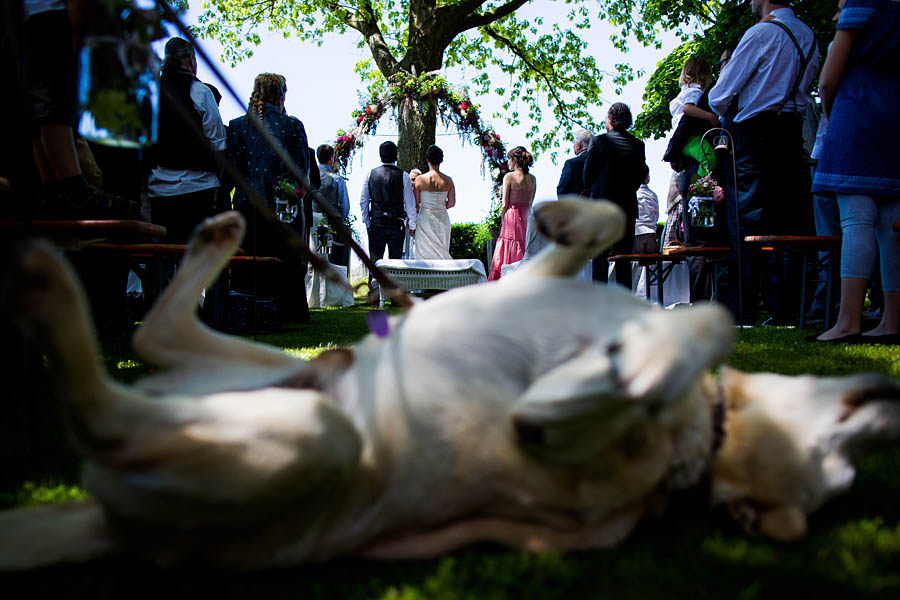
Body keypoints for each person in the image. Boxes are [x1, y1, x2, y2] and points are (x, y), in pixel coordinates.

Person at [708, 0, 819, 325]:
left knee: (744, 223)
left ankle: (743, 311)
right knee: (790, 225)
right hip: (790, 132)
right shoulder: (809, 35)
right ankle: (789, 311)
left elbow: (719, 95)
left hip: (754, 134)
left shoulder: (761, 34)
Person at [810, 0, 900, 343]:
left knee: (857, 221)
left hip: (857, 113)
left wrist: (836, 116)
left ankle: (848, 320)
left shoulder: (862, 3)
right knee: (892, 225)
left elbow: (828, 81)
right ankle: (893, 318)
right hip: (894, 115)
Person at [24, 0, 138, 219]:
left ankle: (55, 191)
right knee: (57, 106)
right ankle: (74, 190)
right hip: (56, 13)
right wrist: (78, 18)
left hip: (36, 15)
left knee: (46, 108)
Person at [228, 72, 311, 322]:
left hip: (246, 207)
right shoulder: (292, 125)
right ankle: (286, 311)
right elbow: (301, 170)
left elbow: (233, 168)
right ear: (281, 95)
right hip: (281, 209)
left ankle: (246, 308)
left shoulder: (236, 126)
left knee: (249, 262)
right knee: (283, 261)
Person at [149, 38, 226, 244]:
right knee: (197, 257)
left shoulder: (151, 92)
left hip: (158, 189)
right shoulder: (200, 91)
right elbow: (218, 142)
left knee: (163, 256)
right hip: (198, 189)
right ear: (191, 60)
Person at [582, 102, 647, 288]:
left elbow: (587, 174)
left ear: (610, 118)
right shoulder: (638, 145)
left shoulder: (599, 141)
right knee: (623, 259)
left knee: (600, 257)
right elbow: (640, 175)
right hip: (627, 208)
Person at [360, 141, 416, 300]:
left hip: (377, 221)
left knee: (375, 260)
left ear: (380, 155)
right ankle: (395, 296)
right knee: (396, 262)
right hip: (396, 223)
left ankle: (374, 294)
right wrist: (412, 224)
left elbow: (364, 200)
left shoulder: (370, 174)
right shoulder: (403, 176)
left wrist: (367, 221)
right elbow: (409, 203)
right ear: (396, 155)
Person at [488, 146, 535, 281]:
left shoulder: (509, 177)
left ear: (515, 160)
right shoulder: (533, 179)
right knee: (524, 247)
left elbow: (504, 203)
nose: (508, 162)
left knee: (508, 248)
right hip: (527, 217)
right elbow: (531, 202)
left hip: (512, 216)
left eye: (509, 159)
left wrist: (504, 217)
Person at [412, 145, 455, 260]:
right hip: (442, 217)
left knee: (424, 252)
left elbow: (415, 204)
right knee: (442, 250)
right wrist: (440, 206)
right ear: (441, 160)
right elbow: (451, 203)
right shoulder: (448, 180)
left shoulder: (420, 179)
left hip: (425, 217)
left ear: (427, 159)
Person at [556, 129, 592, 198]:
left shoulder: (571, 164)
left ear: (578, 145)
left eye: (574, 143)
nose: (573, 146)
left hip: (575, 206)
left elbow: (561, 190)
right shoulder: (602, 162)